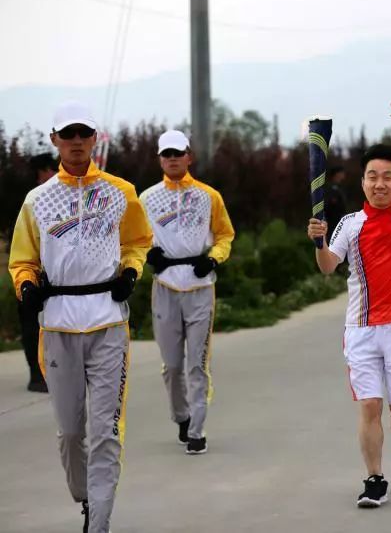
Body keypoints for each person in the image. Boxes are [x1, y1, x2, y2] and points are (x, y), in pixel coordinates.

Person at [8, 100, 152, 532]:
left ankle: (100, 521)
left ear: (95, 139)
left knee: (106, 430)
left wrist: (130, 271)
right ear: (54, 139)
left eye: (83, 134)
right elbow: (22, 261)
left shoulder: (119, 192)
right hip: (57, 324)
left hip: (108, 319)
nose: (75, 142)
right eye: (66, 134)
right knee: (71, 433)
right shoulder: (37, 200)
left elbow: (137, 242)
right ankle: (86, 495)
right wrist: (27, 286)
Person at [307, 98, 391, 508]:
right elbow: (328, 267)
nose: (379, 183)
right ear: (362, 182)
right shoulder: (350, 224)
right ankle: (374, 478)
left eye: (387, 177)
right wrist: (317, 241)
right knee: (369, 405)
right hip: (361, 329)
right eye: (371, 177)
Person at [140, 130, 235, 455]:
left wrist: (211, 259)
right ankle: (181, 416)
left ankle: (197, 428)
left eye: (178, 153)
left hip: (199, 287)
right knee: (171, 365)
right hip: (165, 286)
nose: (173, 159)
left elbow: (225, 236)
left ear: (189, 156)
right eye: (167, 154)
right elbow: (134, 240)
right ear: (160, 159)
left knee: (197, 363)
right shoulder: (147, 198)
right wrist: (147, 255)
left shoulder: (209, 196)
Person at [17, 153, 57, 393]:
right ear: (42, 172)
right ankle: (36, 375)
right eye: (51, 170)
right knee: (32, 326)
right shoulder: (33, 200)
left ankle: (46, 372)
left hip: (43, 274)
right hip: (31, 274)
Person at [325, 165, 348, 243]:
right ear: (336, 174)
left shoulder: (340, 188)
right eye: (342, 173)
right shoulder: (330, 189)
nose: (343, 175)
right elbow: (328, 206)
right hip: (332, 223)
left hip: (339, 222)